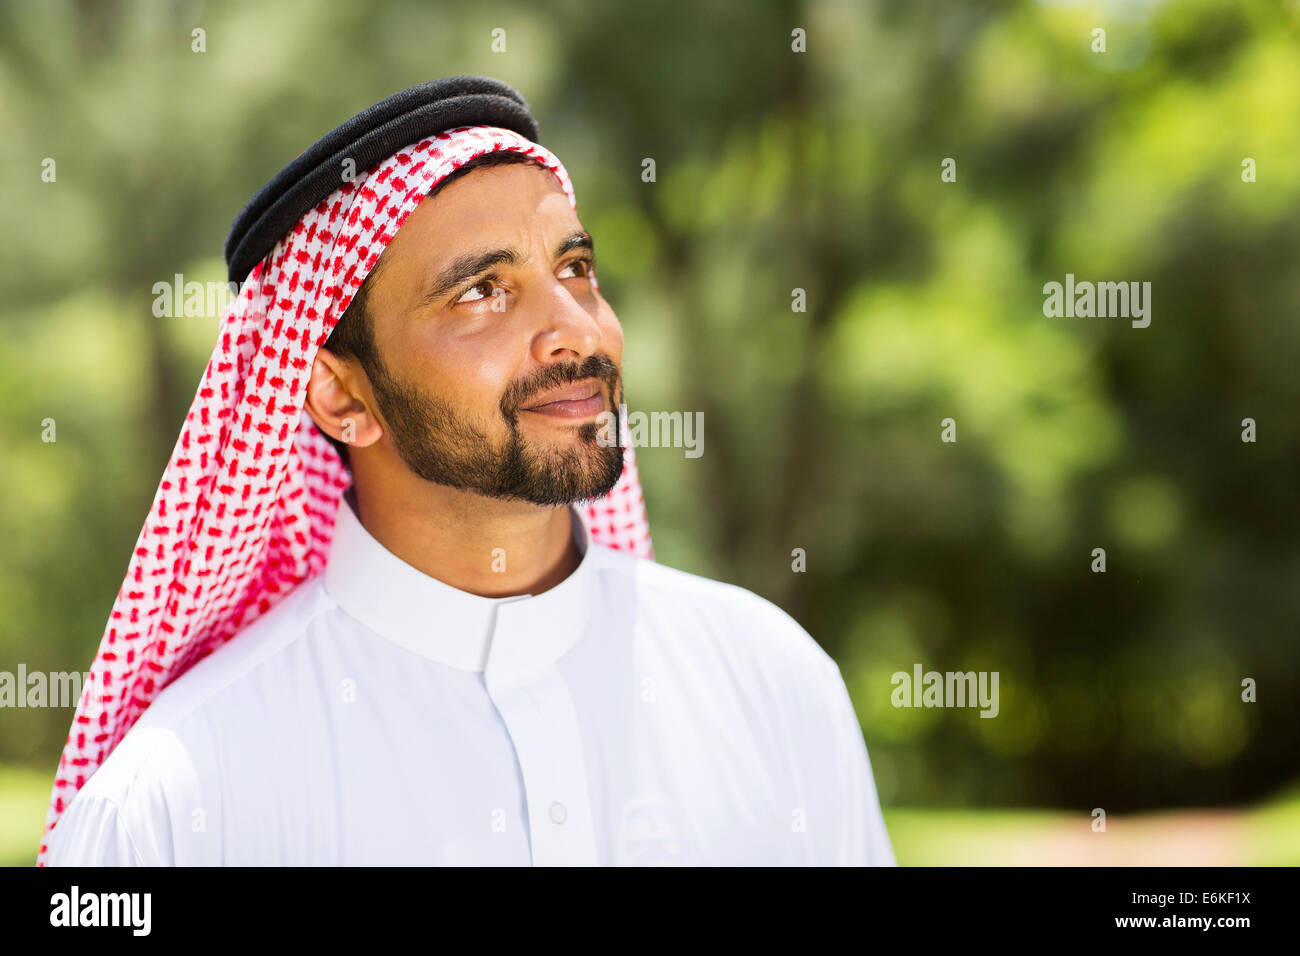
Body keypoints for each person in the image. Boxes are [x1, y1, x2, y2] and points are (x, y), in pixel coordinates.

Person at [40, 77, 894, 866]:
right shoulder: (174, 808)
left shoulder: (772, 688)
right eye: (482, 291)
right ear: (342, 396)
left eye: (575, 270)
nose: (578, 330)